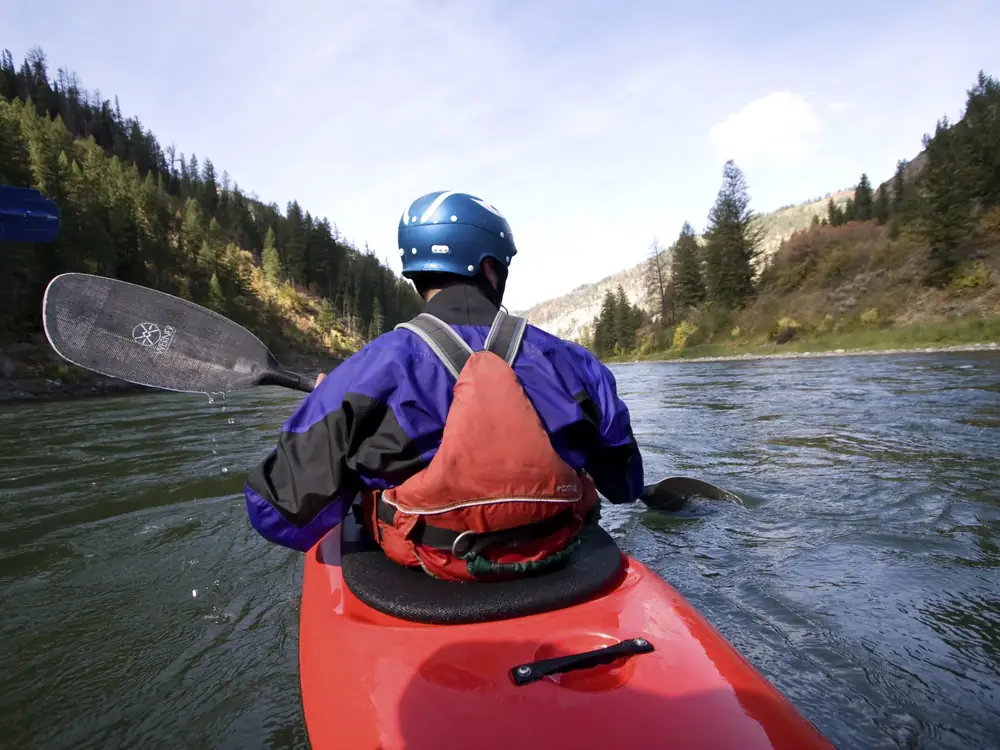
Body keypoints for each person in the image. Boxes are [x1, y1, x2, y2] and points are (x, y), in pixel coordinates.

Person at [244, 190, 643, 581]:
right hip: (561, 564)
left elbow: (275, 513)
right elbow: (626, 485)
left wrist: (338, 436)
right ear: (488, 268)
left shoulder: (369, 371)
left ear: (418, 273)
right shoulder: (573, 362)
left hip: (422, 577)